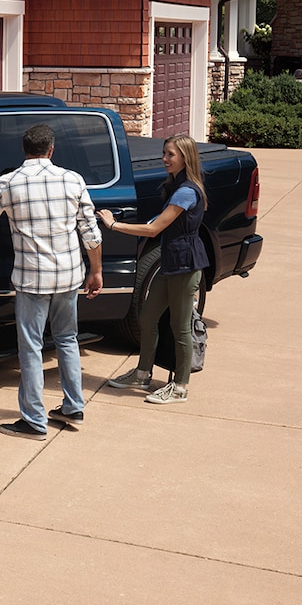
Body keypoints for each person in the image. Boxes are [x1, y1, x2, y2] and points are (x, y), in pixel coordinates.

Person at [0, 123, 103, 440]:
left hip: (32, 280)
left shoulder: (8, 183)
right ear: (51, 150)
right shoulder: (73, 180)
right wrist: (96, 271)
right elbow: (91, 233)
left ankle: (33, 421)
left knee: (31, 348)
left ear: (24, 150)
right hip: (69, 275)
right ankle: (73, 406)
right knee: (67, 339)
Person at [98, 133, 209, 404]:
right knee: (148, 318)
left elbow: (154, 229)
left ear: (185, 157)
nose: (165, 159)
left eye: (170, 154)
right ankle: (142, 373)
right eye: (164, 153)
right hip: (171, 262)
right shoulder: (175, 185)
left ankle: (180, 387)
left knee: (180, 326)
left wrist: (114, 225)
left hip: (185, 264)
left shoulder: (185, 191)